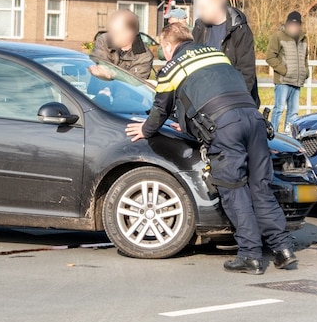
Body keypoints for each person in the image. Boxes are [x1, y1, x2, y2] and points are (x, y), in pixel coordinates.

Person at [125, 23, 297, 275]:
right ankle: (283, 250)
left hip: (225, 126)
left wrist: (145, 130)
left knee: (233, 188)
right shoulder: (215, 53)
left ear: (168, 46)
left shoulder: (172, 67)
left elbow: (160, 108)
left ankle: (250, 256)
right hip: (254, 120)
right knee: (260, 186)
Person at [192, 0, 259, 106]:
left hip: (234, 102)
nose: (199, 12)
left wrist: (236, 103)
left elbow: (246, 72)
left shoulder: (239, 30)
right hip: (205, 101)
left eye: (203, 8)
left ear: (216, 5)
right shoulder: (199, 28)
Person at [265, 11, 310, 134]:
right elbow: (270, 57)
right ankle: (272, 134)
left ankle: (288, 136)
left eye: (296, 25)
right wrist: (284, 70)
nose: (294, 27)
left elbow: (305, 58)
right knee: (279, 109)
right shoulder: (278, 36)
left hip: (297, 80)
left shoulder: (303, 39)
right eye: (291, 24)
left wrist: (305, 72)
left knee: (293, 111)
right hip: (283, 81)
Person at [91, 9, 154, 80]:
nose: (111, 35)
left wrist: (113, 74)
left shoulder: (144, 57)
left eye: (116, 32)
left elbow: (135, 83)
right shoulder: (104, 40)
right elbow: (98, 64)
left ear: (130, 33)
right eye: (110, 30)